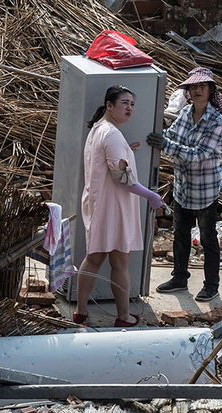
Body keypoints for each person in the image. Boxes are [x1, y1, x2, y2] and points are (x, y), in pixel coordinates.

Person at [73, 85, 164, 327]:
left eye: (132, 104)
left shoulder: (99, 129)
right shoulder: (111, 133)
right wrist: (151, 196)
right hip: (114, 207)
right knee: (120, 263)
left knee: (93, 258)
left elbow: (110, 163)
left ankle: (80, 312)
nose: (130, 108)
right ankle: (123, 316)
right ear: (109, 105)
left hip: (99, 203)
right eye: (124, 103)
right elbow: (122, 177)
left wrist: (127, 151)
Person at [147, 67, 222, 302]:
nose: (197, 90)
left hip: (205, 190)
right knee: (180, 234)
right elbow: (171, 136)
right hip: (182, 186)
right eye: (193, 87)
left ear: (211, 90)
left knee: (208, 238)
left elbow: (200, 154)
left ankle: (211, 285)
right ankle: (179, 277)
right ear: (188, 93)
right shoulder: (184, 114)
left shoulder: (217, 121)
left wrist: (165, 145)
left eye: (202, 86)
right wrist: (153, 133)